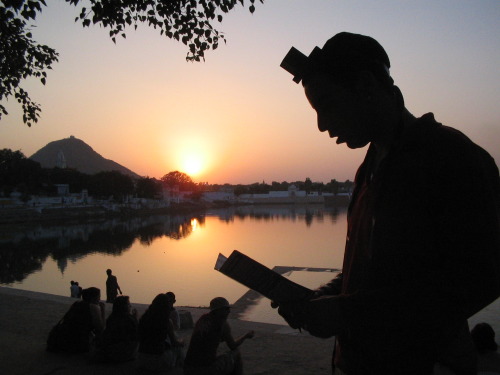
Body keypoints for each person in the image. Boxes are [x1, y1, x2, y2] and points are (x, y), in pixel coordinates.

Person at [277, 31, 500, 374]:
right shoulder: (370, 167)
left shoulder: (451, 157)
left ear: (366, 86)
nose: (322, 125)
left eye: (327, 104)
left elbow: (481, 278)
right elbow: (371, 274)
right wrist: (324, 297)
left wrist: (347, 312)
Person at [184, 297, 255, 375]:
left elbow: (208, 339)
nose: (229, 312)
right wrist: (246, 336)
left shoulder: (202, 320)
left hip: (188, 369)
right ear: (218, 310)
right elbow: (233, 346)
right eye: (226, 309)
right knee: (236, 354)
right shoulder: (223, 325)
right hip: (205, 370)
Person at [47, 287, 106, 353]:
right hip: (75, 343)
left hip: (60, 340)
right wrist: (102, 310)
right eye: (99, 297)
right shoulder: (93, 307)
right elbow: (100, 328)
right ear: (93, 298)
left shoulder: (77, 303)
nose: (100, 299)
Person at [137, 293, 185, 371]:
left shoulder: (144, 318)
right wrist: (182, 341)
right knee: (178, 348)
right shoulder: (167, 322)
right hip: (157, 360)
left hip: (141, 359)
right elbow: (174, 343)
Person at [94, 295, 139, 362]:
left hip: (109, 352)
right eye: (128, 304)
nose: (130, 306)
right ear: (124, 307)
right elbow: (136, 334)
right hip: (123, 354)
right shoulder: (129, 319)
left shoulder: (111, 318)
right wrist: (136, 318)